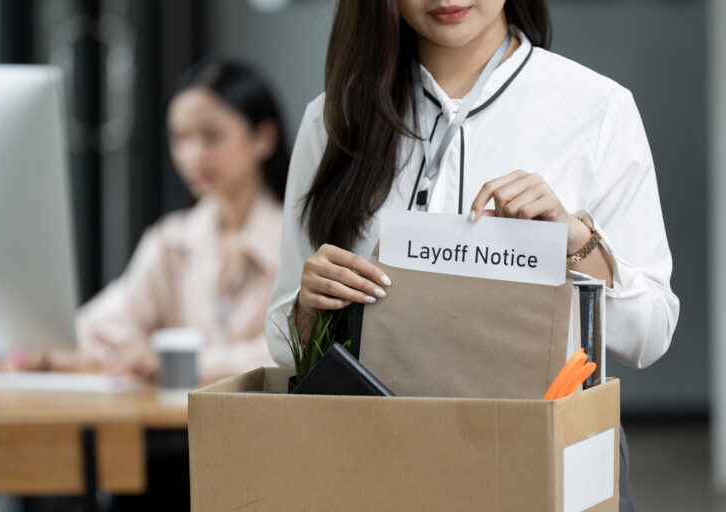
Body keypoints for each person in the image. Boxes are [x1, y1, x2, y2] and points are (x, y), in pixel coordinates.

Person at [264, 2, 679, 510]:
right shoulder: (333, 120)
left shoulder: (597, 108)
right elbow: (285, 339)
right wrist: (310, 310)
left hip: (544, 458)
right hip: (378, 460)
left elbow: (650, 333)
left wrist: (575, 241)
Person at [0, 59, 289, 385]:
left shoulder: (300, 240)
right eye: (180, 138)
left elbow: (290, 352)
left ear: (264, 137)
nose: (193, 155)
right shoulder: (171, 240)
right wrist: (42, 353)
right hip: (178, 426)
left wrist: (176, 363)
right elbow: (109, 327)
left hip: (269, 428)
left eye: (211, 136)